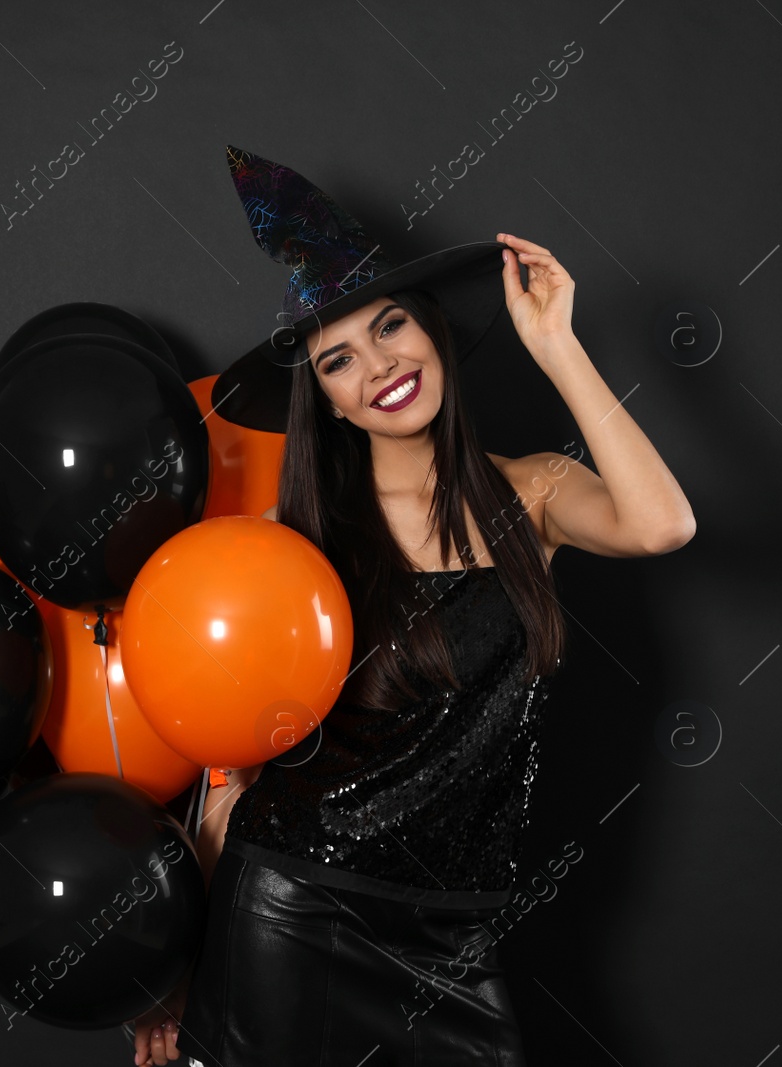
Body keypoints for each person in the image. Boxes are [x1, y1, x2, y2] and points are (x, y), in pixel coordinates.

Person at [127, 145, 695, 1066]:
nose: (380, 366)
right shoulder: (293, 541)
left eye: (392, 326)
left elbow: (662, 523)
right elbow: (232, 780)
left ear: (432, 329)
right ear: (332, 405)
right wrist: (174, 967)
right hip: (295, 909)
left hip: (455, 942)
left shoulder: (537, 495)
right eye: (342, 361)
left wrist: (555, 345)